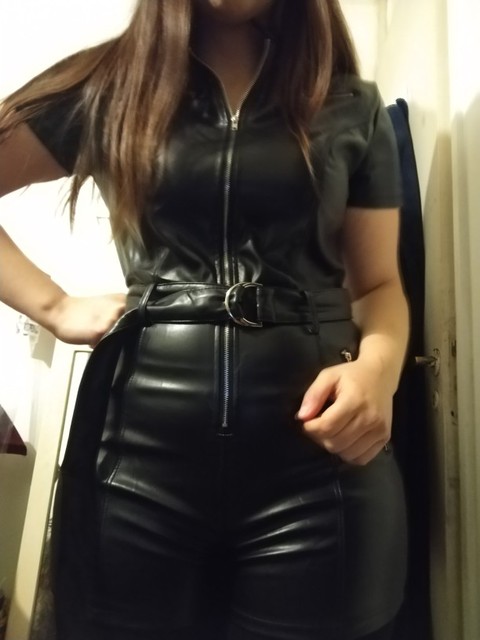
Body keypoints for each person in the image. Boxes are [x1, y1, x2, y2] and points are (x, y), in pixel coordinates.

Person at [0, 1, 410, 639]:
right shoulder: (108, 86)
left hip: (318, 468)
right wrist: (53, 306)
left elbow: (380, 285)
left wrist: (379, 370)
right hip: (134, 469)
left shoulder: (351, 105)